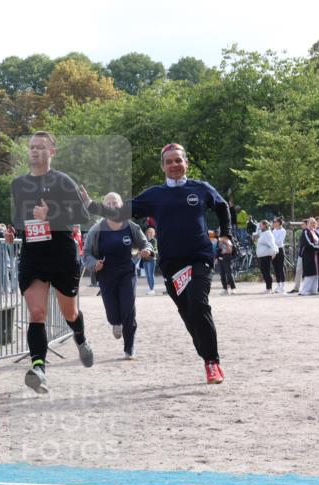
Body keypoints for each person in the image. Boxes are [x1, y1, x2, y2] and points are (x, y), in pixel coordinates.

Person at [82, 142, 232, 384]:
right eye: (169, 161)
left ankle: (211, 362)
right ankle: (206, 353)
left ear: (186, 163)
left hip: (200, 258)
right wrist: (92, 206)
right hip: (172, 264)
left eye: (178, 160)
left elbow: (222, 206)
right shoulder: (154, 195)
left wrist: (226, 235)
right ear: (163, 166)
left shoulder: (201, 189)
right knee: (188, 313)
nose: (174, 165)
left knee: (199, 304)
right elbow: (120, 212)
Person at [4, 131, 94, 394]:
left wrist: (51, 214)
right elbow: (22, 219)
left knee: (70, 313)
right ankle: (39, 369)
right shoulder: (18, 184)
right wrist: (13, 233)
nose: (34, 151)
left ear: (52, 152)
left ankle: (80, 337)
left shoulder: (63, 181)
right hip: (33, 255)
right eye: (32, 147)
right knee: (37, 313)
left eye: (40, 147)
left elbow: (82, 216)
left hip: (61, 253)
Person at [82, 193, 154, 359]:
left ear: (121, 206)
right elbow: (85, 254)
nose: (112, 206)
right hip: (106, 276)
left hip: (127, 273)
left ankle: (129, 348)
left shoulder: (131, 227)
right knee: (112, 314)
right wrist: (94, 263)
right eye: (108, 203)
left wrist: (147, 251)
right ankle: (116, 322)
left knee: (128, 310)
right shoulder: (96, 229)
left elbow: (146, 244)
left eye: (115, 203)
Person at [299, 218, 319, 296]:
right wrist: (318, 248)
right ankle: (305, 290)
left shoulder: (316, 232)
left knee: (316, 273)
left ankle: (313, 290)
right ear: (308, 223)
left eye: (314, 223)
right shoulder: (306, 231)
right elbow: (307, 243)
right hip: (308, 255)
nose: (312, 224)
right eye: (311, 222)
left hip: (316, 256)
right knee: (309, 273)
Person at [254, 219, 278, 293]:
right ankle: (268, 288)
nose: (259, 226)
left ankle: (269, 288)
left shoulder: (268, 233)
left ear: (265, 225)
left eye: (261, 225)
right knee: (264, 272)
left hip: (266, 256)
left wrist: (273, 253)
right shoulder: (263, 233)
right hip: (262, 256)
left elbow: (272, 244)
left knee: (266, 272)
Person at [271, 217, 287, 293]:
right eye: (273, 222)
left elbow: (279, 241)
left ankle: (283, 286)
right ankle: (278, 285)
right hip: (274, 250)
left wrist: (273, 241)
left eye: (275, 222)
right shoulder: (273, 231)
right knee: (275, 268)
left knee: (281, 268)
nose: (274, 223)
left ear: (279, 222)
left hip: (280, 250)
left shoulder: (283, 230)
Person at [142, 226, 159, 294]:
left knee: (150, 274)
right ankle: (150, 289)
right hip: (145, 260)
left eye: (151, 232)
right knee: (147, 275)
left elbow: (155, 249)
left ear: (153, 233)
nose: (150, 233)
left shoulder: (154, 240)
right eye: (149, 232)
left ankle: (152, 289)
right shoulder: (145, 241)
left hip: (151, 260)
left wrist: (148, 251)